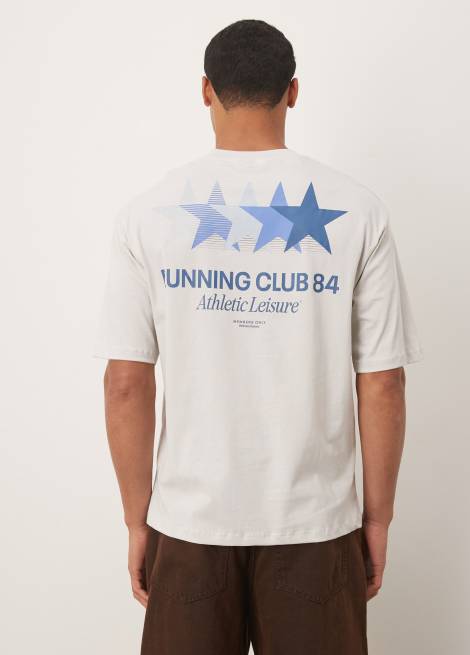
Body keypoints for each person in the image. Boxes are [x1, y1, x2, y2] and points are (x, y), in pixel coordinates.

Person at [94, 18, 422, 655]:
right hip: (315, 525)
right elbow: (383, 383)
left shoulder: (146, 215)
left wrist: (138, 520)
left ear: (205, 90)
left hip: (189, 523)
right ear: (293, 91)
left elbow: (125, 384)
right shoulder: (358, 210)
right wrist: (377, 519)